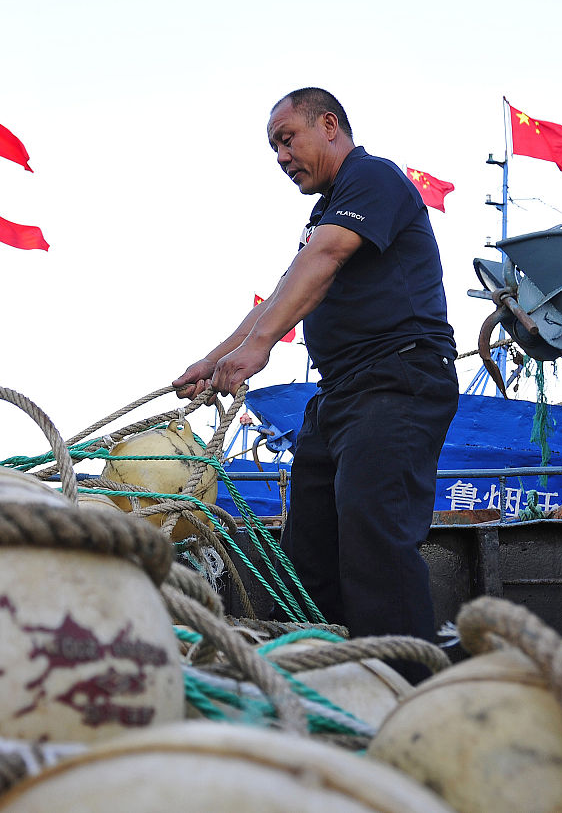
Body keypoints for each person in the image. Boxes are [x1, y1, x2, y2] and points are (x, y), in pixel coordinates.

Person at [173, 88, 457, 682]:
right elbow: (286, 291)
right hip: (342, 392)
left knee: (373, 532)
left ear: (328, 125)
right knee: (310, 544)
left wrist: (258, 349)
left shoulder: (374, 179)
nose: (280, 156)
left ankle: (408, 689)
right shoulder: (324, 210)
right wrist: (213, 358)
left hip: (399, 377)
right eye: (274, 146)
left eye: (287, 139)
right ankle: (324, 679)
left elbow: (325, 259)